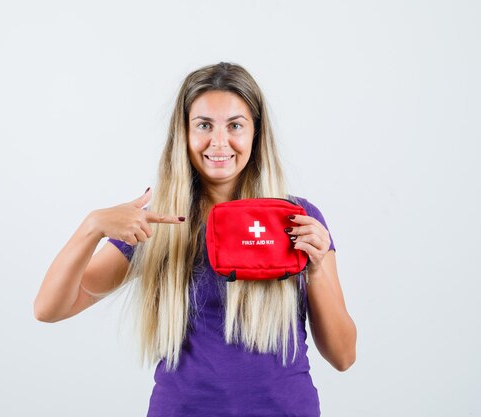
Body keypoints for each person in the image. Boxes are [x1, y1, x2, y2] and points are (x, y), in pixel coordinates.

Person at [34, 62, 357, 417]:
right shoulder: (158, 224)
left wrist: (316, 267)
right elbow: (50, 309)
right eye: (204, 125)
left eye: (235, 125)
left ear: (255, 133)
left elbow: (343, 356)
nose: (219, 142)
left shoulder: (295, 219)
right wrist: (91, 226)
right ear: (184, 133)